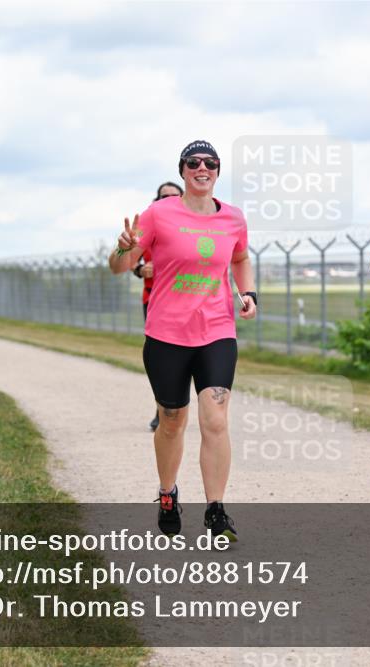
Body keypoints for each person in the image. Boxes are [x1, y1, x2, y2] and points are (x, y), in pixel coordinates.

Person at [110, 140, 257, 541]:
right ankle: (167, 493)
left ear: (218, 171)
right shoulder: (159, 214)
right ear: (183, 170)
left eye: (210, 162)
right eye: (193, 162)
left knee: (215, 419)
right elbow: (119, 266)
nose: (202, 167)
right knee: (172, 421)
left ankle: (216, 511)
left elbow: (241, 259)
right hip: (166, 334)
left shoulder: (233, 219)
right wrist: (123, 249)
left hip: (216, 331)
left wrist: (249, 294)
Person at [135, 181, 185, 432]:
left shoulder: (192, 225)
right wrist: (139, 269)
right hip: (154, 300)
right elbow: (131, 256)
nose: (168, 200)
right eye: (163, 197)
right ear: (156, 200)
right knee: (163, 360)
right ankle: (162, 407)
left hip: (186, 302)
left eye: (175, 196)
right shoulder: (150, 223)